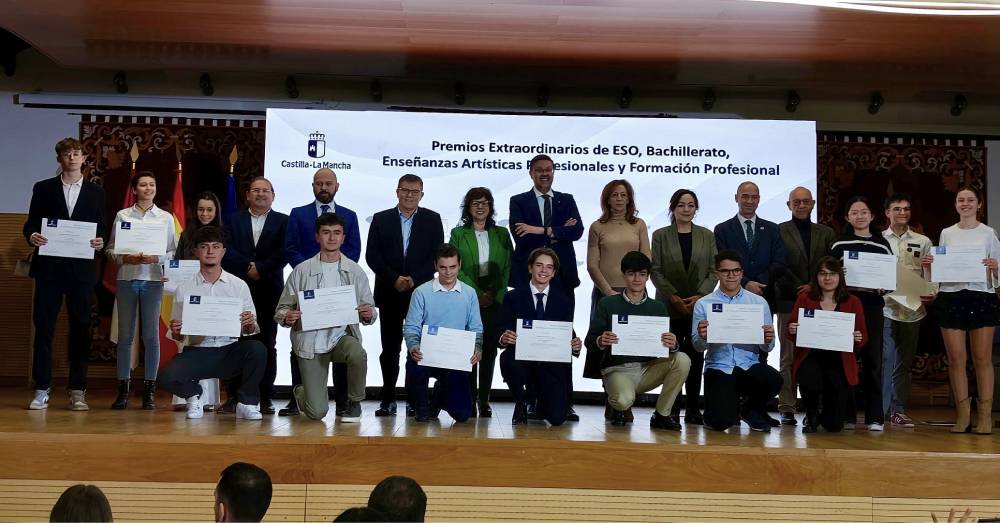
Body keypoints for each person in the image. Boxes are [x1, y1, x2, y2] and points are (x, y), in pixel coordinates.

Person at [24, 137, 107, 411]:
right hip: (49, 269)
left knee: (81, 329)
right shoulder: (43, 188)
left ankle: (77, 389)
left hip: (81, 271)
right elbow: (30, 224)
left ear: (84, 158)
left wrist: (100, 241)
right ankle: (41, 388)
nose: (72, 158)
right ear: (59, 158)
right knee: (44, 329)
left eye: (76, 153)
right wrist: (33, 236)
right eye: (66, 154)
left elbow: (102, 228)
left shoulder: (96, 192)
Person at [274, 213, 375, 422]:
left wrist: (368, 314)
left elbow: (370, 308)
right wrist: (287, 316)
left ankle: (354, 402)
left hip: (340, 338)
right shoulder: (301, 271)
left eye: (337, 233)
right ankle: (302, 392)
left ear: (343, 237)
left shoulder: (355, 271)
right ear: (317, 237)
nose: (332, 238)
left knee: (358, 354)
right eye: (326, 233)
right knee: (316, 413)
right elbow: (281, 309)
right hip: (310, 341)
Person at [159, 225, 267, 420]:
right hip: (198, 352)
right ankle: (194, 396)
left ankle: (247, 403)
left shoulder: (238, 285)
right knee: (166, 376)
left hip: (228, 350)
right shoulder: (184, 288)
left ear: (223, 251)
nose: (210, 251)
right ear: (196, 251)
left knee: (257, 349)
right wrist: (176, 330)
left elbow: (251, 329)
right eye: (204, 247)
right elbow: (178, 335)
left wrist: (249, 323)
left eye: (216, 246)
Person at [508, 154, 584, 420]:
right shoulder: (519, 201)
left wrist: (540, 229)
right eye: (539, 170)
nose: (544, 174)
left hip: (562, 281)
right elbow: (520, 234)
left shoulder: (566, 199)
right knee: (527, 339)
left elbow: (577, 231)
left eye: (548, 170)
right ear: (531, 173)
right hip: (528, 280)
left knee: (562, 339)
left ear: (554, 172)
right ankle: (529, 398)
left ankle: (566, 399)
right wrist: (559, 229)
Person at [922, 187, 1000, 435]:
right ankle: (963, 416)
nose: (965, 204)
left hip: (981, 296)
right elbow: (940, 272)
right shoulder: (947, 233)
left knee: (982, 358)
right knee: (956, 359)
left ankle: (985, 417)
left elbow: (997, 272)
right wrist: (930, 266)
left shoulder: (989, 233)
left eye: (970, 200)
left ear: (979, 204)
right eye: (961, 200)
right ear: (955, 204)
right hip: (951, 296)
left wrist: (995, 267)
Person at [284, 168, 361, 415]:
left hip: (339, 299)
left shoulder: (349, 215)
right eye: (319, 183)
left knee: (350, 351)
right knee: (316, 412)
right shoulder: (298, 214)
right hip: (308, 296)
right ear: (313, 186)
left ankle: (347, 402)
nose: (324, 187)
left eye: (329, 183)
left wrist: (336, 272)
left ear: (337, 186)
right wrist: (310, 272)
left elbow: (354, 250)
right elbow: (291, 247)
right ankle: (302, 393)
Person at [366, 174, 444, 417]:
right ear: (397, 192)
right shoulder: (381, 219)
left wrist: (413, 279)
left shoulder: (432, 219)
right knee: (390, 350)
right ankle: (388, 398)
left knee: (417, 350)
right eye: (405, 190)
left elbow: (437, 256)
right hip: (389, 292)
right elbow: (372, 256)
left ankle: (415, 399)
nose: (409, 195)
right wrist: (394, 279)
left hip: (420, 293)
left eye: (414, 191)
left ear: (422, 194)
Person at [586, 251, 690, 431]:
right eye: (631, 274)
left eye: (642, 274)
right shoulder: (608, 304)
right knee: (623, 400)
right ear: (623, 275)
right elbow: (589, 341)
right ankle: (618, 404)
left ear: (648, 277)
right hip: (617, 369)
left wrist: (673, 344)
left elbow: (668, 344)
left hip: (648, 368)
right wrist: (601, 340)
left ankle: (661, 415)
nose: (637, 279)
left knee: (682, 359)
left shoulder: (657, 307)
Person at [106, 170, 177, 410]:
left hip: (153, 280)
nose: (148, 189)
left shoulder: (165, 218)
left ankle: (149, 391)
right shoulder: (123, 215)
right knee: (125, 336)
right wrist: (125, 258)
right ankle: (123, 391)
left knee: (151, 336)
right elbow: (111, 249)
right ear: (135, 189)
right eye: (143, 185)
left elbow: (173, 252)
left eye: (152, 184)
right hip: (127, 278)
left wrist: (157, 258)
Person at [692, 250, 781, 432]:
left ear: (742, 273)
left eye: (736, 270)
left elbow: (768, 347)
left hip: (748, 365)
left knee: (774, 379)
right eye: (725, 271)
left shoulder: (758, 303)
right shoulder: (704, 304)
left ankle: (750, 409)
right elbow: (697, 346)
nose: (731, 275)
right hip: (719, 366)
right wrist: (703, 337)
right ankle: (724, 410)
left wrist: (768, 340)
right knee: (721, 422)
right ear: (717, 274)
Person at [649, 189, 718, 426]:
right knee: (672, 358)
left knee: (696, 357)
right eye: (681, 205)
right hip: (669, 306)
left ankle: (693, 409)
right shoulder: (660, 235)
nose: (686, 209)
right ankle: (671, 409)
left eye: (691, 205)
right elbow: (655, 270)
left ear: (696, 209)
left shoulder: (707, 235)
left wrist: (700, 296)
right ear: (672, 208)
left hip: (698, 306)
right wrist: (673, 296)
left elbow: (713, 270)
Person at [222, 176, 288, 415]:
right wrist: (247, 267)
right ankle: (234, 396)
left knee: (267, 343)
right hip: (238, 287)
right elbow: (226, 248)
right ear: (247, 195)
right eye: (256, 190)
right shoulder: (233, 219)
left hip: (269, 288)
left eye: (265, 190)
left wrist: (261, 268)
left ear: (273, 195)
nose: (260, 194)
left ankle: (264, 396)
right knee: (236, 342)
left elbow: (285, 251)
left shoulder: (284, 221)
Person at [830, 196, 894, 431]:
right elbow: (827, 277)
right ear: (847, 217)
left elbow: (890, 281)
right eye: (854, 212)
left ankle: (875, 416)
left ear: (872, 216)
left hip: (873, 306)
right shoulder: (839, 245)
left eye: (864, 212)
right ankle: (846, 414)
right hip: (845, 306)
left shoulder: (882, 245)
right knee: (845, 359)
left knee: (873, 360)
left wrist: (883, 287)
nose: (859, 216)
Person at [497, 247, 582, 425]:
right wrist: (503, 337)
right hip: (521, 359)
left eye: (549, 267)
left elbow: (567, 332)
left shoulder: (563, 300)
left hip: (549, 363)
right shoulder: (513, 296)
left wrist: (575, 344)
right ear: (530, 268)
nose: (544, 270)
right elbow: (502, 327)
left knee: (557, 418)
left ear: (554, 272)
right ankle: (521, 402)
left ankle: (539, 399)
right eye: (539, 265)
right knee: (508, 360)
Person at [773, 186, 836, 426]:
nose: (801, 205)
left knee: (815, 355)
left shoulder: (826, 233)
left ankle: (814, 407)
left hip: (820, 300)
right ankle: (787, 406)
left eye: (805, 201)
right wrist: (799, 287)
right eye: (796, 202)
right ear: (789, 205)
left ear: (813, 204)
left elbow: (831, 264)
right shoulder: (778, 230)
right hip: (788, 298)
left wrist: (813, 286)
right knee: (788, 356)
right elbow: (777, 264)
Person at [449, 187, 513, 418]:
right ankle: (469, 398)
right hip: (467, 298)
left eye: (485, 203)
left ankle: (484, 399)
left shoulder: (502, 233)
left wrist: (494, 295)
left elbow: (508, 266)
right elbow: (456, 267)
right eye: (475, 203)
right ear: (468, 207)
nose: (480, 207)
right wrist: (477, 294)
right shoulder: (458, 233)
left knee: (488, 350)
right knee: (469, 349)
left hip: (494, 300)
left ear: (491, 206)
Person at [786, 256, 868, 433]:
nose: (828, 278)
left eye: (832, 274)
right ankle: (811, 412)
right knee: (809, 374)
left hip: (840, 360)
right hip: (811, 355)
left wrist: (858, 337)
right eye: (823, 273)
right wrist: (792, 328)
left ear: (840, 277)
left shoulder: (853, 301)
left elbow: (863, 335)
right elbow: (790, 330)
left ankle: (826, 413)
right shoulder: (805, 298)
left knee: (833, 425)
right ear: (816, 277)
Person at [403, 243, 483, 422]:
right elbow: (411, 327)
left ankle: (440, 394)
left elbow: (476, 328)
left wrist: (477, 348)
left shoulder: (469, 293)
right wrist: (414, 346)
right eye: (443, 267)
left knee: (462, 414)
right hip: (425, 355)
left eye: (452, 267)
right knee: (422, 415)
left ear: (459, 265)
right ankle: (421, 406)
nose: (448, 272)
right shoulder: (421, 292)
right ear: (435, 266)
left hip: (455, 358)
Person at [881, 193, 934, 428]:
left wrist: (932, 292)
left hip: (913, 310)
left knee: (904, 362)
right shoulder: (879, 240)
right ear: (887, 213)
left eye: (906, 209)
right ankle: (880, 410)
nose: (902, 213)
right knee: (885, 359)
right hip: (885, 308)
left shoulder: (923, 241)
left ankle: (898, 409)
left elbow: (931, 273)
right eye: (897, 209)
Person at [171, 191, 224, 411]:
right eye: (201, 209)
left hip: (215, 296)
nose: (205, 214)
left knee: (211, 345)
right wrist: (170, 275)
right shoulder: (186, 235)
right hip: (190, 296)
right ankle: (185, 397)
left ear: (216, 211)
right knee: (188, 344)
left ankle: (209, 399)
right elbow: (177, 262)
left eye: (209, 210)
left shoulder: (223, 234)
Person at [713, 181, 787, 308]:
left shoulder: (772, 229)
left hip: (764, 294)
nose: (750, 201)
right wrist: (746, 283)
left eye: (754, 197)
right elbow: (721, 264)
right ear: (736, 198)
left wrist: (759, 282)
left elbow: (780, 262)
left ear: (759, 199)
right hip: (731, 297)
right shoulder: (722, 229)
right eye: (745, 196)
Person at [586, 179, 650, 314]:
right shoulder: (597, 226)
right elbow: (592, 265)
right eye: (614, 195)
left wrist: (637, 287)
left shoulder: (639, 224)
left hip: (635, 291)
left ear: (629, 199)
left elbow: (646, 259)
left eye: (623, 195)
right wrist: (608, 291)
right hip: (605, 292)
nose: (619, 198)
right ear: (607, 200)